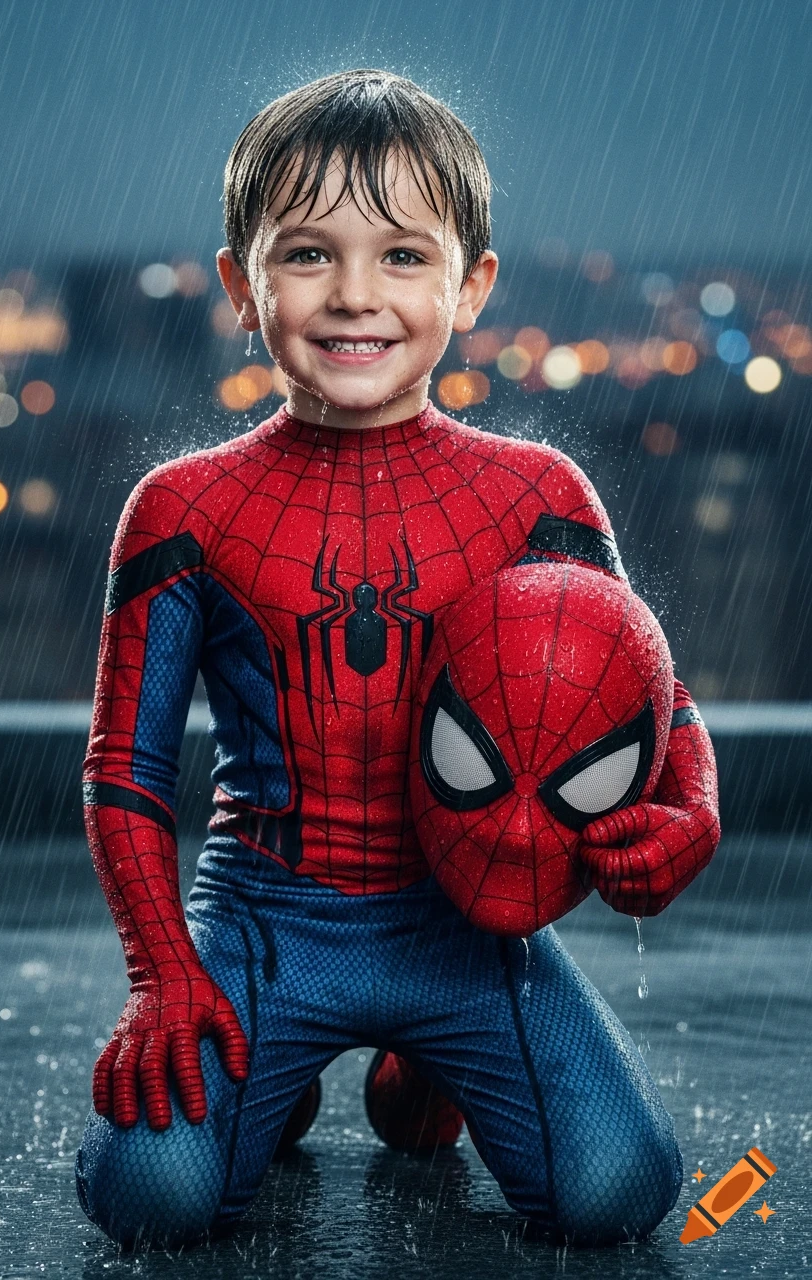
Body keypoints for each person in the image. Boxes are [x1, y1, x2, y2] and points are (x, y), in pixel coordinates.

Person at [75, 69, 719, 1250]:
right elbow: (125, 770)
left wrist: (692, 811)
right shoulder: (180, 509)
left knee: (614, 1189)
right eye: (309, 254)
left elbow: (652, 700)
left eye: (403, 257)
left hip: (471, 918)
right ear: (241, 282)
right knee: (149, 1196)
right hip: (265, 910)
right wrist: (165, 975)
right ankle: (283, 1081)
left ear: (471, 283)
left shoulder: (539, 495)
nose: (355, 295)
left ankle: (422, 1070)